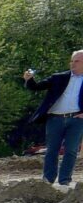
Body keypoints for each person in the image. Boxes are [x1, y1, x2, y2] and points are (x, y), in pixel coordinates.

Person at [19, 49, 83, 187]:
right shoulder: (59, 77)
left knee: (71, 150)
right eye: (72, 61)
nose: (73, 64)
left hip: (76, 120)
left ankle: (65, 180)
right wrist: (29, 80)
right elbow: (36, 87)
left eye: (76, 61)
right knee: (52, 150)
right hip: (55, 119)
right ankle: (48, 180)